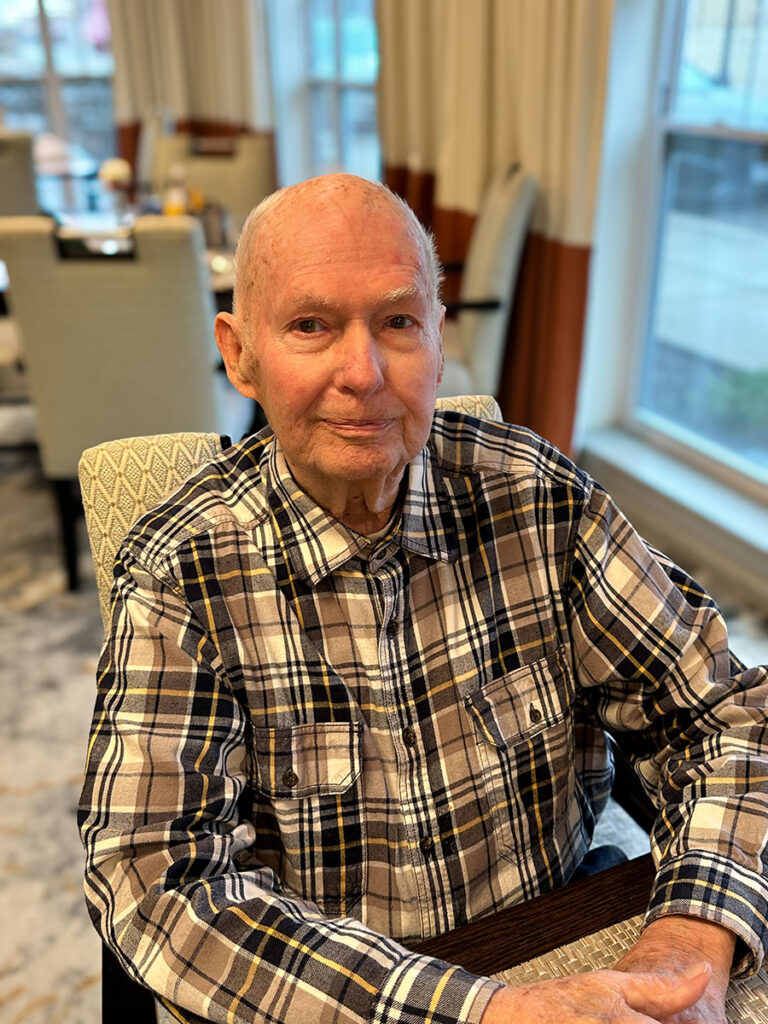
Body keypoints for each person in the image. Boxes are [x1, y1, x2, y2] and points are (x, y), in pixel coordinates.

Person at [79, 174, 768, 1024]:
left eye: (398, 322)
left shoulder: (541, 500)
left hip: (549, 925)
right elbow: (158, 883)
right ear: (239, 354)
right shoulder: (182, 575)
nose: (362, 373)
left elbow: (727, 712)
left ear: (440, 341)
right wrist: (488, 1014)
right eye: (310, 325)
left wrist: (690, 941)